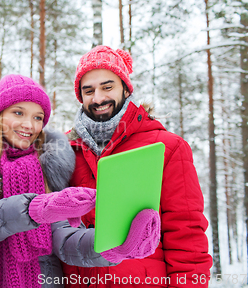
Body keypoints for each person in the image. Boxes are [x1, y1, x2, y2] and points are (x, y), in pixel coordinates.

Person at [0, 74, 160, 288]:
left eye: (38, 117)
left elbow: (66, 240)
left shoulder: (47, 170)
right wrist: (34, 209)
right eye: (18, 113)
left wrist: (113, 247)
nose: (29, 125)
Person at [58, 45, 212, 288]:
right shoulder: (64, 150)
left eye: (107, 87)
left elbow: (187, 237)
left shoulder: (168, 147)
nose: (98, 98)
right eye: (89, 91)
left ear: (125, 88)